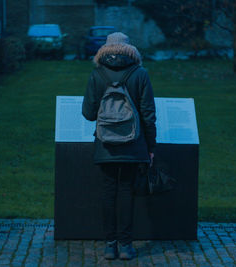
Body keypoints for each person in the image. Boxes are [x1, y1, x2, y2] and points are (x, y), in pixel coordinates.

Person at [82, 32, 156, 260]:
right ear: (129, 49)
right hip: (134, 145)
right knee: (126, 191)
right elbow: (148, 115)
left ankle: (109, 245)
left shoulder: (97, 74)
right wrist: (151, 147)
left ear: (105, 49)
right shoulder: (140, 73)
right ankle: (126, 246)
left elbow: (88, 113)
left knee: (108, 191)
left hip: (106, 145)